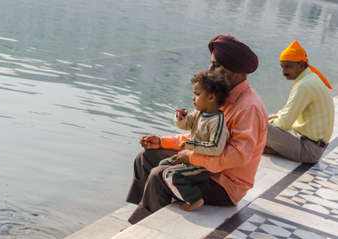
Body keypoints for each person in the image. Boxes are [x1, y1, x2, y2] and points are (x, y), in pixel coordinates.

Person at [126, 34, 268, 225]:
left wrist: (191, 157)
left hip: (225, 184)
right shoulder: (222, 94)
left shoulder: (248, 107)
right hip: (206, 168)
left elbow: (238, 156)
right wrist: (162, 142)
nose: (210, 70)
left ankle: (139, 226)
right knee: (146, 158)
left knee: (160, 175)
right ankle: (141, 212)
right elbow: (199, 136)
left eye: (216, 66)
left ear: (235, 71)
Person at [158, 70, 230, 211]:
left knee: (170, 174)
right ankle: (176, 194)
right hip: (192, 159)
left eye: (197, 94)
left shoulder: (217, 121)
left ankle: (194, 199)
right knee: (163, 165)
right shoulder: (199, 113)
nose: (193, 98)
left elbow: (215, 148)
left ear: (211, 98)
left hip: (205, 165)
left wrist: (190, 145)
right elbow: (186, 125)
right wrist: (181, 118)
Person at [265, 40, 334, 163]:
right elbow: (286, 113)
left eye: (288, 66)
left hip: (309, 151)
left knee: (259, 125)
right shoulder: (310, 78)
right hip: (311, 144)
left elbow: (284, 124)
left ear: (301, 65)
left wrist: (264, 122)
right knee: (265, 121)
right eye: (282, 66)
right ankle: (271, 147)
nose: (284, 72)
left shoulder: (304, 85)